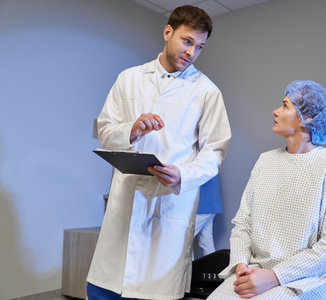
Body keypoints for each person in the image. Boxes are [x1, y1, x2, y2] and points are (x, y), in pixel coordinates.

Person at [86, 5, 231, 300]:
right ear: (168, 32)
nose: (191, 52)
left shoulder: (206, 92)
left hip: (168, 207)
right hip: (125, 205)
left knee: (155, 289)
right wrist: (132, 130)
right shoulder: (128, 79)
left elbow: (215, 151)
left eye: (199, 47)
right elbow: (105, 130)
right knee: (105, 288)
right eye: (187, 41)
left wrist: (183, 174)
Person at [207, 80, 326, 300]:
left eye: (285, 105)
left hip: (310, 277)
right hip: (255, 271)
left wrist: (275, 276)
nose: (276, 111)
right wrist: (242, 267)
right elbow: (243, 224)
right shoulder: (265, 161)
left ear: (307, 118)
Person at [193, 175, 223, 259]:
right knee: (206, 241)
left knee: (185, 240)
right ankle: (213, 269)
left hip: (203, 206)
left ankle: (188, 270)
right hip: (210, 205)